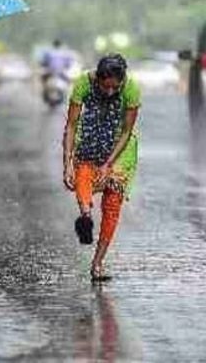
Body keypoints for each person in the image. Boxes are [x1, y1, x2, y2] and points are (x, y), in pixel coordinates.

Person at [62, 53, 141, 281]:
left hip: (120, 147)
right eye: (105, 87)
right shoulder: (83, 84)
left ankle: (97, 263)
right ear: (97, 79)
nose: (109, 92)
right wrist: (67, 163)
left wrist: (108, 164)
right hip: (89, 138)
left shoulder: (131, 89)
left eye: (114, 88)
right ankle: (85, 215)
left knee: (113, 202)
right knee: (83, 175)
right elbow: (72, 124)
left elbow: (126, 131)